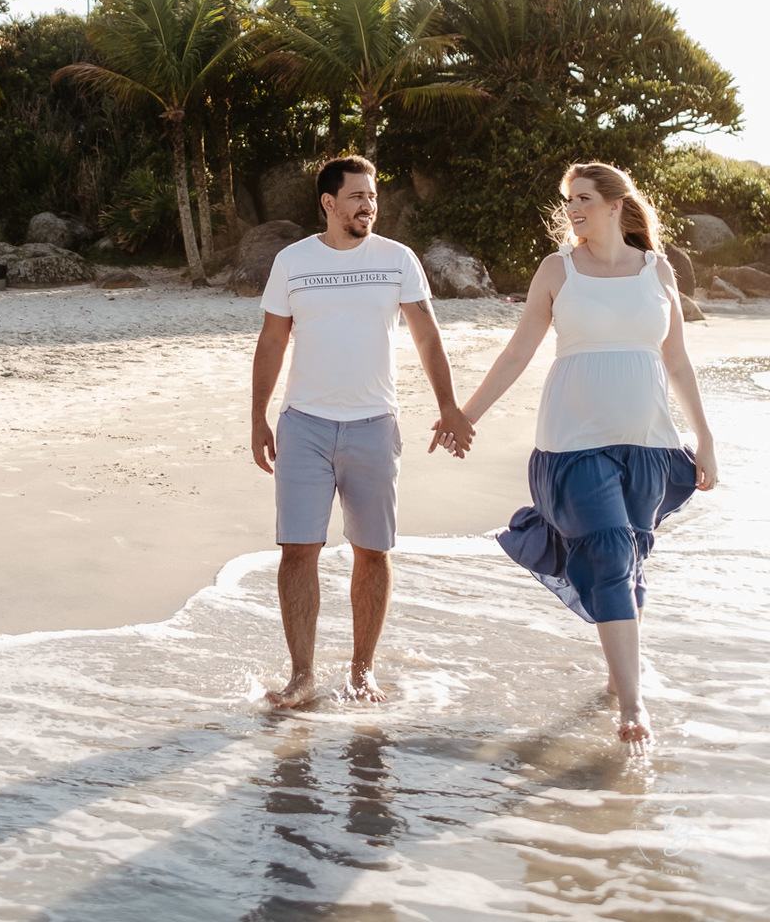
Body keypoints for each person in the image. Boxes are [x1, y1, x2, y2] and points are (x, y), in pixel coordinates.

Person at [435, 161, 717, 746]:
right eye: (569, 200)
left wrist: (705, 439)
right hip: (573, 440)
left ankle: (619, 678)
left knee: (630, 556)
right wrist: (465, 414)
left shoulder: (658, 270)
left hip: (649, 441)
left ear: (616, 204)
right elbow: (517, 353)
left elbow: (678, 361)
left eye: (584, 198)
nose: (573, 209)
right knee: (610, 548)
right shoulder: (557, 269)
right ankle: (633, 707)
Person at [251, 155, 475, 709]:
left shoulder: (398, 259)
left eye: (372, 197)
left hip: (374, 426)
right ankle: (302, 676)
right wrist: (258, 416)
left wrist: (449, 406)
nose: (368, 206)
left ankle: (361, 672)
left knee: (372, 552)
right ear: (328, 203)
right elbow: (273, 340)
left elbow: (427, 335)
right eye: (356, 197)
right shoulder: (292, 261)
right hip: (303, 424)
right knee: (297, 550)